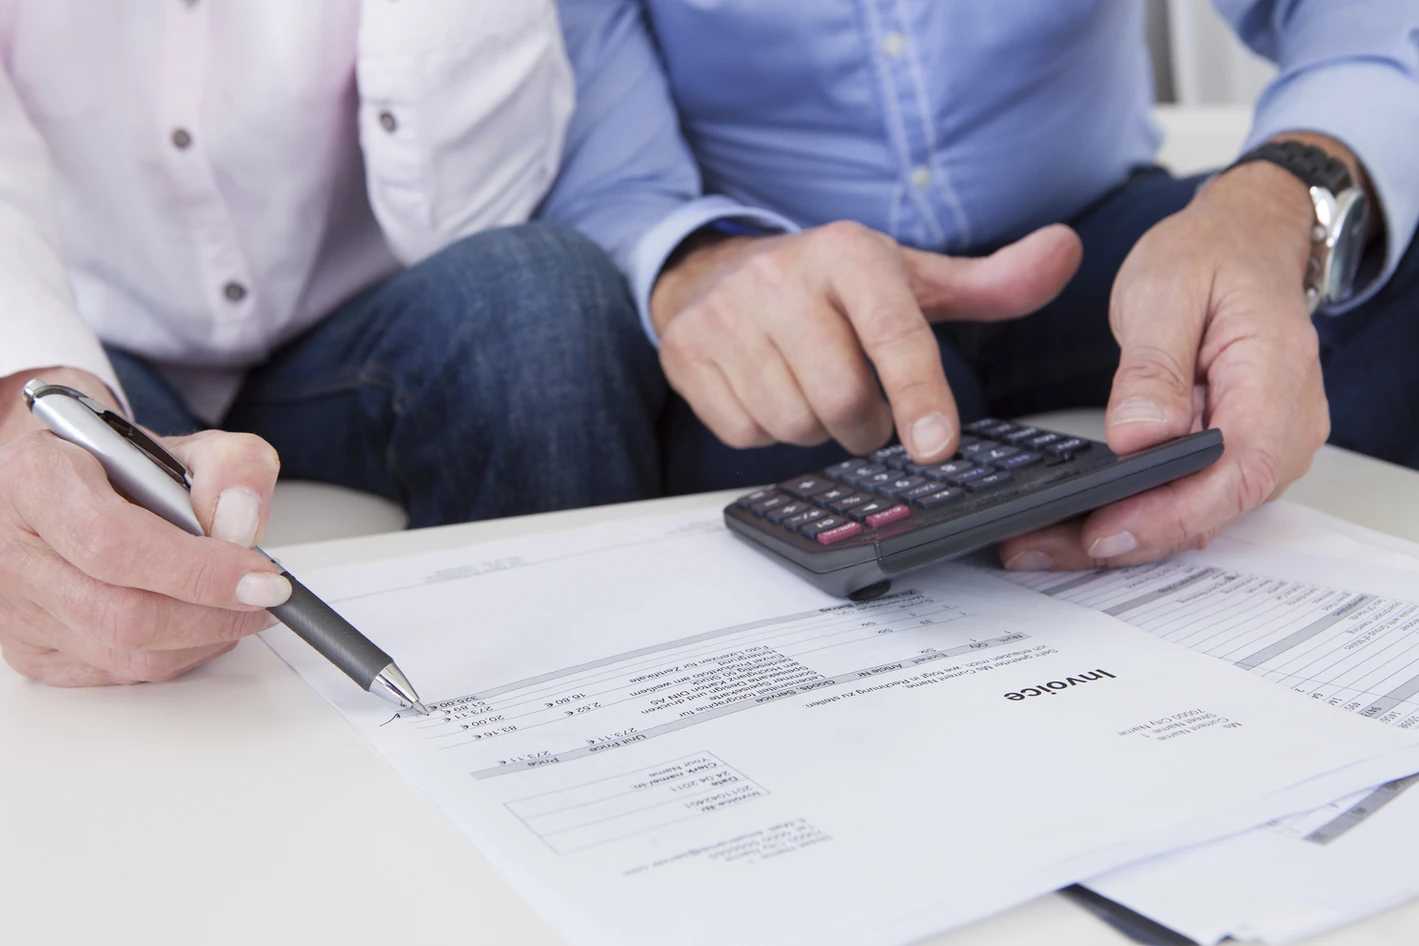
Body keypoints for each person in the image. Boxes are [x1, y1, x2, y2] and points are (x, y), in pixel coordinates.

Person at [540, 1, 1419, 574]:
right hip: (795, 280)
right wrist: (704, 268)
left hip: (1088, 240)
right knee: (797, 441)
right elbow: (612, 177)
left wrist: (1274, 203)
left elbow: (1360, 19)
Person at [0, 2, 664, 688]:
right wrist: (30, 404)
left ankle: (563, 702)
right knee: (73, 506)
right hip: (100, 341)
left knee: (539, 290)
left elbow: (471, 216)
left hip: (354, 334)